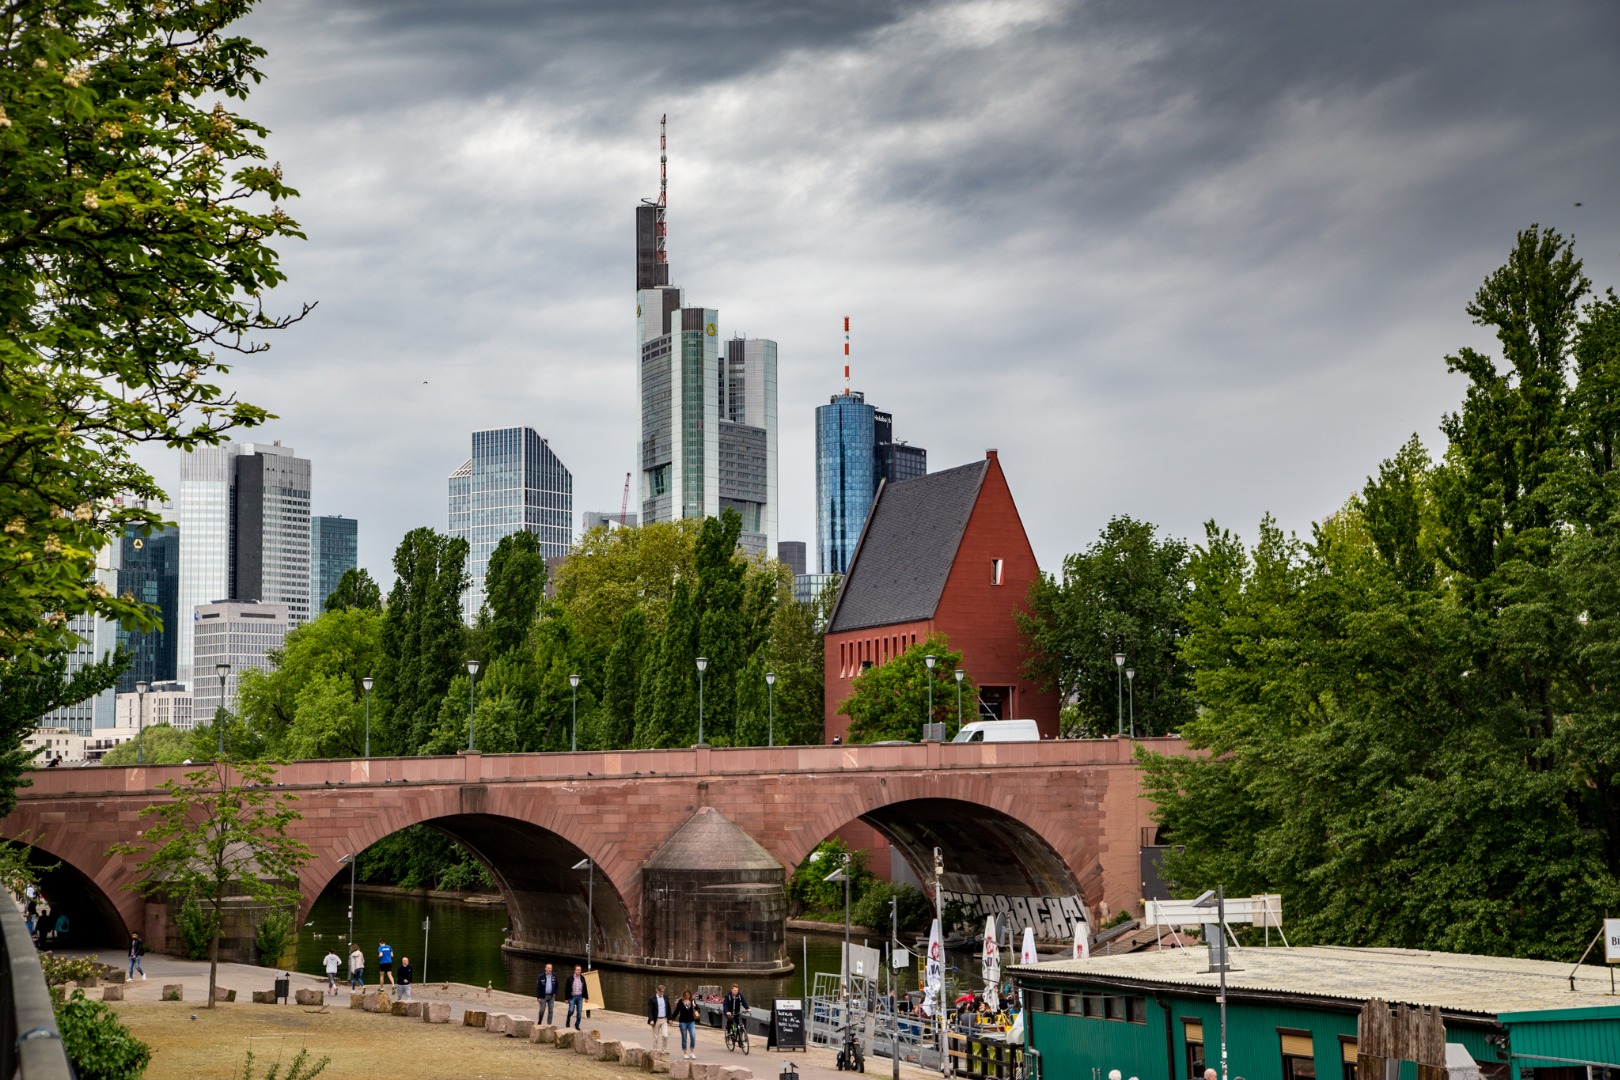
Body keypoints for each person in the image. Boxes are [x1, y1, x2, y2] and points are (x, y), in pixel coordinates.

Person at [673, 988, 698, 1059]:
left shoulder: (692, 1001)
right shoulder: (680, 1002)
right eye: (686, 995)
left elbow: (696, 1009)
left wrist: (695, 1006)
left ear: (690, 995)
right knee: (684, 1037)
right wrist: (671, 1019)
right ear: (683, 995)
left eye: (688, 995)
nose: (687, 996)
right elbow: (676, 1011)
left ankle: (692, 1052)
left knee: (693, 1036)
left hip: (691, 1021)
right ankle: (685, 1052)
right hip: (683, 1022)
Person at [646, 984, 670, 1052]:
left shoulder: (665, 997)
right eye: (660, 991)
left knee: (665, 1035)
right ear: (657, 990)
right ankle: (655, 1051)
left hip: (664, 1019)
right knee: (655, 1037)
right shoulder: (652, 999)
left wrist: (670, 1018)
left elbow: (668, 1008)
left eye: (663, 991)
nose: (662, 993)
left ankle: (664, 1050)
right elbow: (650, 1010)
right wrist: (651, 1019)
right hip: (656, 1020)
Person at [565, 964, 586, 1031]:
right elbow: (567, 989)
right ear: (574, 970)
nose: (578, 971)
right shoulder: (570, 978)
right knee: (571, 1010)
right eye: (577, 970)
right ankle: (568, 1019)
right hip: (572, 996)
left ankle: (577, 1025)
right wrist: (566, 998)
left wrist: (586, 997)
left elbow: (585, 988)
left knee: (579, 1012)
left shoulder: (582, 978)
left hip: (580, 996)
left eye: (579, 970)